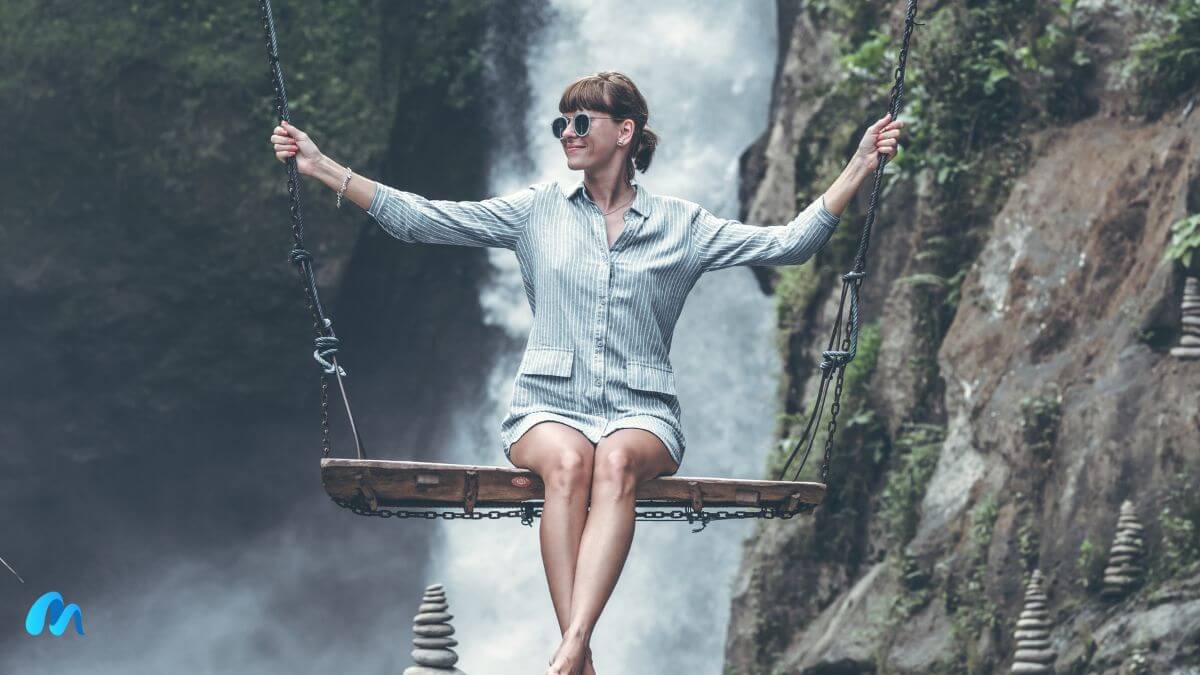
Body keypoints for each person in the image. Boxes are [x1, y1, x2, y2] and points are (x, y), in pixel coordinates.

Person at [269, 71, 902, 675]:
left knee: (616, 462)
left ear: (624, 132)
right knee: (571, 463)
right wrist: (321, 165)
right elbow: (423, 221)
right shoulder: (534, 212)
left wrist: (859, 166)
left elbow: (789, 243)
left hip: (643, 410)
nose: (567, 132)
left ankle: (573, 645)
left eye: (580, 120)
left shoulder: (684, 225)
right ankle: (580, 655)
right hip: (545, 407)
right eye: (559, 123)